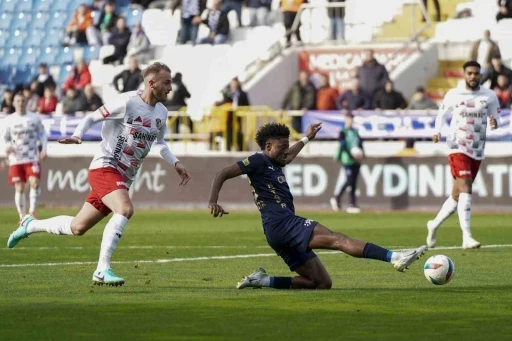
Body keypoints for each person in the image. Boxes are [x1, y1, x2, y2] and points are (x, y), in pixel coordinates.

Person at [7, 62, 192, 287]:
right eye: (167, 82)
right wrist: (78, 135)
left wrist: (176, 162)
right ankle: (102, 269)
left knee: (77, 227)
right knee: (125, 209)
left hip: (123, 177)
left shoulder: (162, 112)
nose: (171, 88)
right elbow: (92, 117)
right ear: (151, 83)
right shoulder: (127, 102)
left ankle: (30, 225)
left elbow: (160, 143)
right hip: (105, 167)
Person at [208, 122, 427, 290]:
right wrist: (213, 201)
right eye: (281, 147)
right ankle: (395, 257)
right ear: (268, 146)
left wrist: (306, 138)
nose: (285, 151)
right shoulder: (257, 161)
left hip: (275, 231)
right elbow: (222, 173)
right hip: (282, 223)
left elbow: (290, 155)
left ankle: (262, 281)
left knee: (321, 283)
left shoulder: (275, 161)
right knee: (338, 239)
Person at [427, 61, 499, 249]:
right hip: (457, 145)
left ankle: (433, 224)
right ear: (464, 74)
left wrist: (494, 122)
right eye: (469, 73)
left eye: (476, 73)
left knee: (457, 194)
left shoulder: (490, 96)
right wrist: (438, 131)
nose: (473, 76)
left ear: (480, 75)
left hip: (477, 148)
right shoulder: (453, 94)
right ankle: (466, 236)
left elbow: (496, 118)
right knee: (466, 186)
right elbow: (441, 115)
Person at [1, 92, 47, 221]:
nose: (21, 103)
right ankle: (22, 217)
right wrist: (7, 146)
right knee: (19, 187)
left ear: (26, 102)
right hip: (16, 158)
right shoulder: (9, 120)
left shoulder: (34, 118)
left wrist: (44, 149)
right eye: (18, 101)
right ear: (14, 103)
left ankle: (32, 212)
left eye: (23, 101)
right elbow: (4, 137)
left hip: (32, 157)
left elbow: (43, 134)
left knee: (35, 182)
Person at [330, 113, 363, 213]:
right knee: (349, 181)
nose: (350, 121)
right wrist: (351, 155)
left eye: (351, 119)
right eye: (348, 119)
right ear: (345, 120)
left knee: (353, 182)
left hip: (356, 160)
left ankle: (352, 203)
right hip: (347, 159)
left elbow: (360, 144)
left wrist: (362, 154)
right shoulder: (342, 132)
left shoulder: (356, 132)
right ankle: (337, 198)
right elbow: (343, 145)